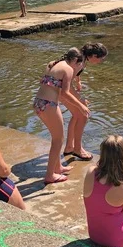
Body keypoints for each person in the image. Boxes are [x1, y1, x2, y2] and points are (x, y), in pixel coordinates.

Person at [34, 47, 90, 184]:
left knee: (56, 137)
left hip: (38, 102)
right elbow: (65, 93)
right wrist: (81, 105)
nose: (78, 68)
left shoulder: (54, 64)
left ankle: (57, 168)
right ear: (75, 60)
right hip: (49, 104)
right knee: (58, 140)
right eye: (79, 64)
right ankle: (50, 175)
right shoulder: (68, 69)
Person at [63, 42, 108, 161]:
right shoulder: (81, 61)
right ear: (94, 55)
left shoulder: (81, 55)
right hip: (58, 89)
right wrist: (80, 99)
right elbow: (67, 86)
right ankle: (77, 149)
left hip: (54, 86)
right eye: (101, 59)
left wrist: (78, 80)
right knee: (83, 114)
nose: (100, 61)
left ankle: (69, 147)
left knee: (77, 114)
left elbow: (73, 71)